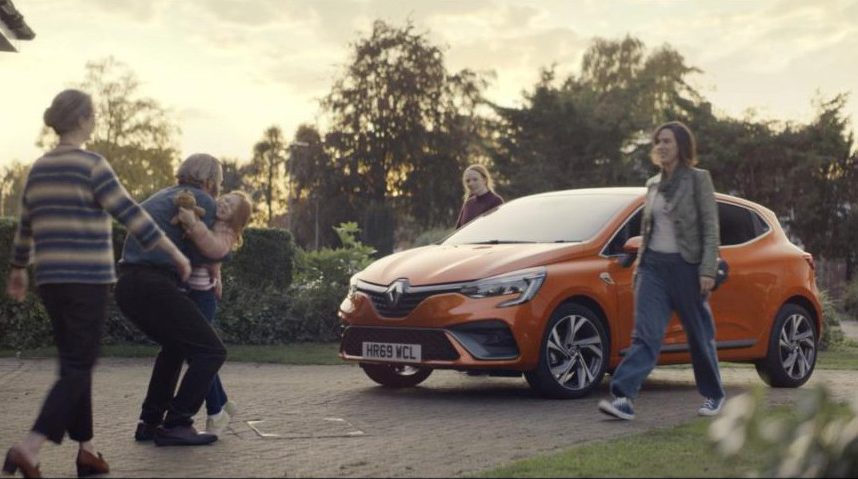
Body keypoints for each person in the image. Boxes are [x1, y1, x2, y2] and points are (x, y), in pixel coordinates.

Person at [2, 89, 191, 478]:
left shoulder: (38, 167)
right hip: (87, 280)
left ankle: (87, 451)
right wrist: (174, 252)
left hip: (51, 281)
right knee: (78, 363)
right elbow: (131, 215)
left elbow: (26, 225)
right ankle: (29, 447)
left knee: (76, 362)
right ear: (85, 119)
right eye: (94, 116)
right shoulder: (92, 165)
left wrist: (18, 268)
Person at [598, 121, 725, 421]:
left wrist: (708, 268)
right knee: (646, 335)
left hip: (688, 268)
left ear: (681, 145)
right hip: (653, 268)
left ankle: (714, 395)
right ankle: (623, 398)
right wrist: (640, 267)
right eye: (658, 142)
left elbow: (710, 227)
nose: (661, 146)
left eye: (667, 141)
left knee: (698, 335)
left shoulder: (698, 179)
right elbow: (649, 228)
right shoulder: (652, 184)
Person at [114, 153, 228, 446]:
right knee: (212, 352)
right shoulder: (201, 200)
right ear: (209, 181)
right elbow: (210, 252)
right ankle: (177, 422)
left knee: (175, 347)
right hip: (153, 283)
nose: (217, 189)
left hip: (127, 284)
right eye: (218, 182)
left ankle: (149, 423)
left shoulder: (163, 196)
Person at [175, 191, 253, 435]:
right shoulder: (211, 220)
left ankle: (216, 412)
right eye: (225, 198)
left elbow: (213, 248)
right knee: (200, 355)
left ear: (235, 218)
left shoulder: (226, 232)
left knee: (200, 356)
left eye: (230, 205)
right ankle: (222, 403)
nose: (223, 203)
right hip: (193, 293)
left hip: (203, 298)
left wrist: (192, 222)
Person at [454, 164, 504, 229]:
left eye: (475, 179)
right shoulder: (468, 204)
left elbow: (497, 228)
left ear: (484, 180)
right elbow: (458, 231)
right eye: (468, 181)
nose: (471, 183)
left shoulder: (496, 201)